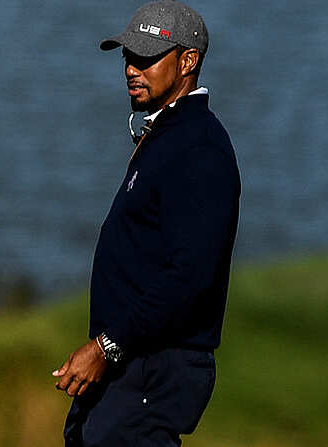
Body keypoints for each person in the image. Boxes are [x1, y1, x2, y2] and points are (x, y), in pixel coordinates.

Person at [52, 1, 240, 445]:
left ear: (187, 61)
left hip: (153, 371)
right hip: (132, 369)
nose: (132, 69)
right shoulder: (170, 134)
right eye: (128, 57)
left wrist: (105, 346)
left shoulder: (198, 146)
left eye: (147, 58)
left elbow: (190, 276)